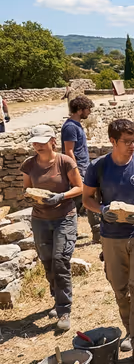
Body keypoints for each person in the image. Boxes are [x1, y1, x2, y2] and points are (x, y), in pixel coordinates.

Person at [82, 119, 134, 364]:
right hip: (111, 237)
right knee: (120, 289)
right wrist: (102, 210)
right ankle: (130, 330)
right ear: (112, 141)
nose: (132, 145)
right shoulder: (98, 167)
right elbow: (86, 198)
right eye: (127, 141)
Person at [21, 125, 83, 331]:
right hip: (40, 219)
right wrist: (31, 196)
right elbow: (26, 188)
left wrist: (61, 196)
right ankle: (57, 298)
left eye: (42, 142)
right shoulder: (29, 164)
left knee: (60, 260)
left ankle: (64, 309)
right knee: (47, 261)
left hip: (64, 217)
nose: (38, 146)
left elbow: (79, 187)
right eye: (34, 143)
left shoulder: (65, 161)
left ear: (53, 141)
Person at [61, 95, 100, 242]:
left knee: (80, 200)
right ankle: (96, 232)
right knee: (86, 198)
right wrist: (76, 171)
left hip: (83, 168)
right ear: (79, 110)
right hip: (78, 170)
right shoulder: (70, 127)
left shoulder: (75, 125)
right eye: (87, 109)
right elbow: (69, 151)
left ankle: (70, 231)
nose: (89, 112)